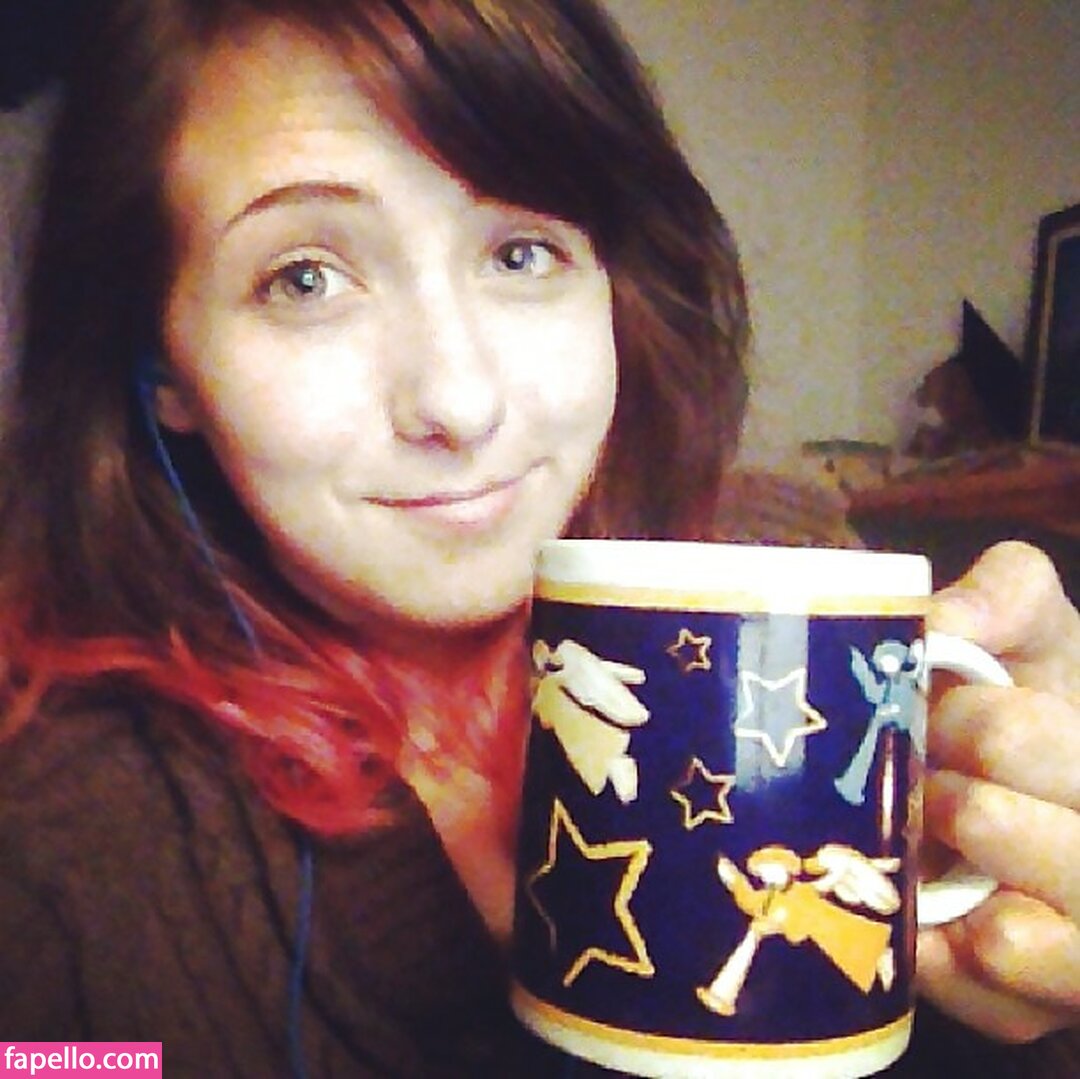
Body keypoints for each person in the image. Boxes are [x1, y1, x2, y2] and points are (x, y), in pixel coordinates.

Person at [0, 1, 1075, 1075]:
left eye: (522, 252)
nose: (459, 404)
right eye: (305, 279)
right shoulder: (70, 859)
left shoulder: (803, 564)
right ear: (163, 365)